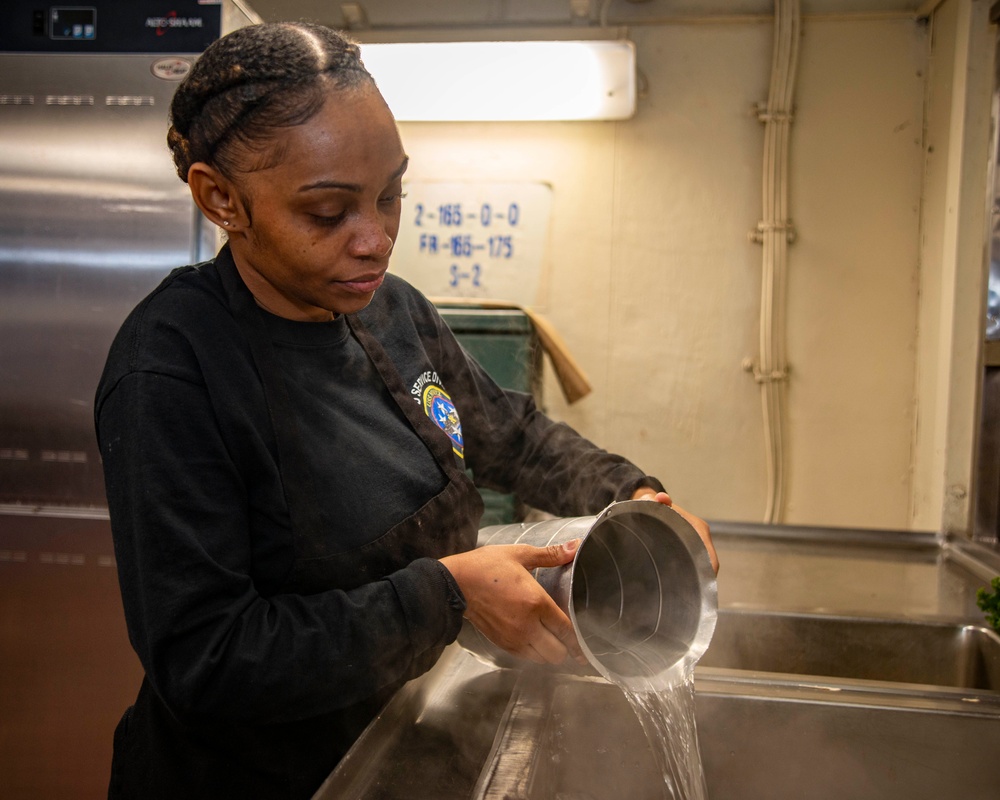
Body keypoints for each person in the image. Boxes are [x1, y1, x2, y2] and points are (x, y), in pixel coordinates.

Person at [94, 21, 718, 800]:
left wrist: (631, 493)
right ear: (221, 198)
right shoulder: (174, 369)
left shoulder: (391, 311)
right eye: (328, 213)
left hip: (394, 742)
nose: (376, 239)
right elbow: (208, 658)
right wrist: (448, 594)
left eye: (391, 195)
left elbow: (511, 436)